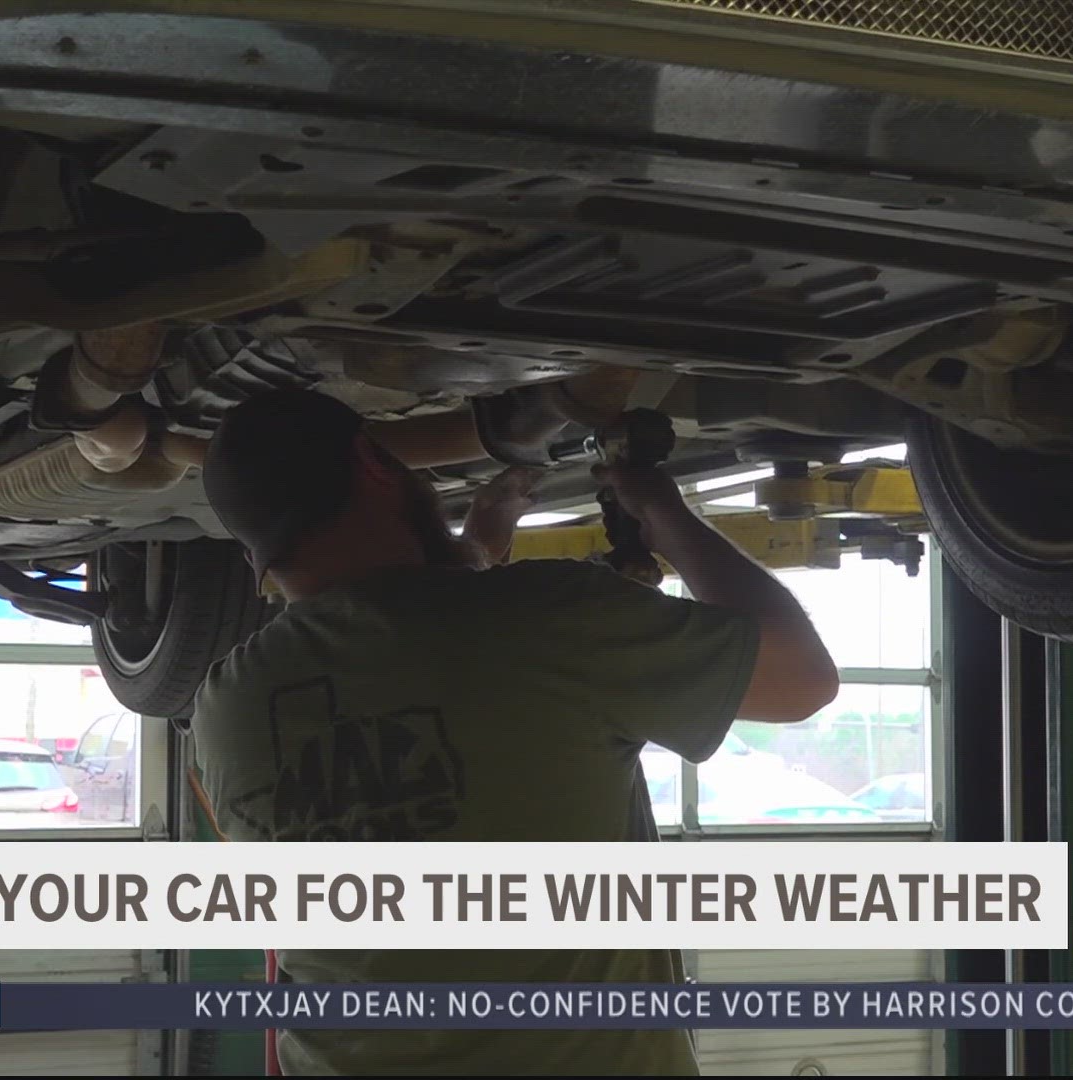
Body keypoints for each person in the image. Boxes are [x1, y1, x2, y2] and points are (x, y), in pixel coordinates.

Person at [193, 387, 838, 1076]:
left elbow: (400, 658)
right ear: (373, 463)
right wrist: (664, 515)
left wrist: (474, 553)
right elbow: (800, 678)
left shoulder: (226, 709)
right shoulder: (552, 617)